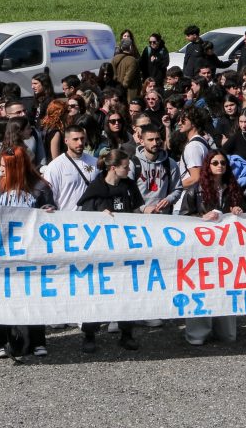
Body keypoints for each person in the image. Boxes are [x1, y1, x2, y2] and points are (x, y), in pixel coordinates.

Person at [0, 145, 55, 359]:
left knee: (33, 295)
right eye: (0, 165)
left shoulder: (40, 187)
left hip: (31, 251)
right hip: (1, 252)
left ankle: (37, 340)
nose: (1, 169)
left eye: (6, 166)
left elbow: (53, 214)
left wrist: (49, 212)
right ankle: (2, 341)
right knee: (1, 296)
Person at [76, 150, 143, 353]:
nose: (129, 169)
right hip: (100, 253)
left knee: (126, 292)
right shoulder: (96, 189)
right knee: (96, 293)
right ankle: (89, 334)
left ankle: (127, 333)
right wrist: (98, 216)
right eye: (125, 166)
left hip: (125, 250)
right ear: (113, 167)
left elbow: (138, 211)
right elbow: (83, 222)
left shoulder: (129, 187)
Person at [180, 151, 244, 346]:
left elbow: (245, 213)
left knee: (226, 287)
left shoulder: (233, 188)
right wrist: (201, 219)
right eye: (215, 162)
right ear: (208, 165)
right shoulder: (194, 190)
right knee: (201, 288)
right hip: (202, 250)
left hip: (226, 250)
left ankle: (225, 331)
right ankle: (198, 333)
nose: (219, 165)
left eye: (223, 162)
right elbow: (182, 218)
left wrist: (237, 210)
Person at [43, 125, 98, 212]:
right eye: (75, 139)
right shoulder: (55, 166)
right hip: (66, 219)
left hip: (90, 218)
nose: (80, 142)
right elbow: (49, 196)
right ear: (66, 141)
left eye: (82, 138)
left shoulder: (95, 162)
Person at [131, 124, 183, 214]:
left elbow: (177, 189)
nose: (155, 143)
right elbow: (126, 192)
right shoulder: (133, 163)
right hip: (138, 217)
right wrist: (143, 208)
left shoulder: (170, 163)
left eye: (157, 139)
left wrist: (169, 199)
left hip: (162, 216)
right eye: (150, 140)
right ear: (142, 141)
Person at [112, 38, 142, 103]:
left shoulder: (114, 59)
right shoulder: (132, 60)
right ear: (130, 47)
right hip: (129, 93)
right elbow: (127, 80)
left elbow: (113, 76)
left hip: (116, 92)